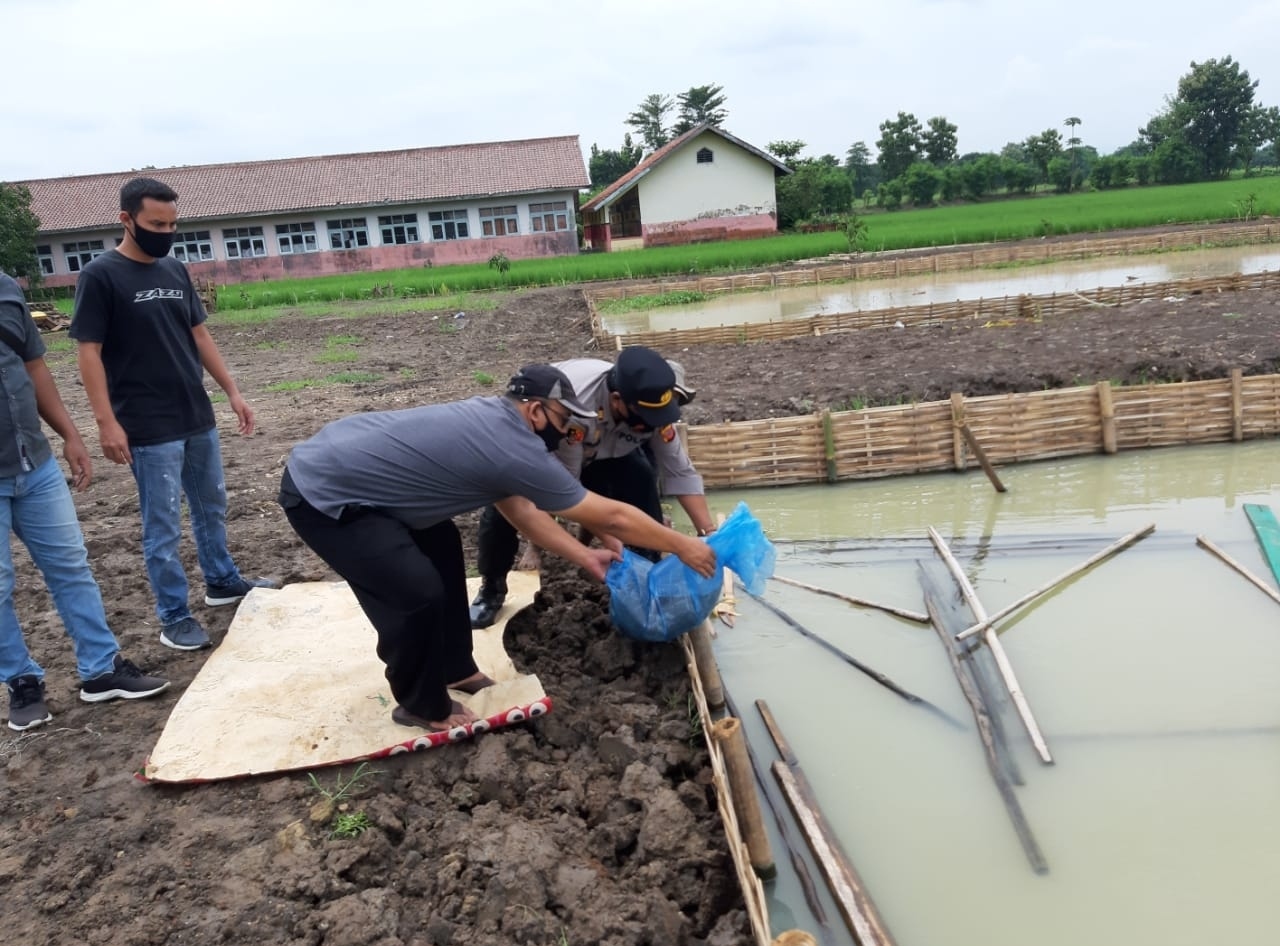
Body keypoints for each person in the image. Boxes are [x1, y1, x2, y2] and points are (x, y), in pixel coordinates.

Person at [278, 364, 716, 733]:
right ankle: (419, 702)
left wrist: (583, 555)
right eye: (564, 421)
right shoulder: (513, 445)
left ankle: (456, 667)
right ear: (534, 409)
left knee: (445, 552)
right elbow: (609, 517)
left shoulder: (498, 425)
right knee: (415, 593)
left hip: (372, 482)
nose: (568, 433)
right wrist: (681, 546)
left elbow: (521, 511)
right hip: (325, 492)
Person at [70, 177, 277, 654]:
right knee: (162, 525)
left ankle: (222, 580)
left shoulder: (174, 270)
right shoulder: (101, 276)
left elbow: (199, 335)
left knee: (211, 506)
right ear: (127, 220)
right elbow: (89, 352)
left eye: (172, 223)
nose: (166, 231)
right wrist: (106, 421)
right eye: (155, 223)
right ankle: (174, 615)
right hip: (145, 423)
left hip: (194, 413)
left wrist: (232, 391)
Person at [0, 273, 169, 731]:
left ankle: (100, 670)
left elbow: (34, 366)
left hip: (34, 464)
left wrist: (69, 435)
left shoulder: (7, 289)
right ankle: (22, 682)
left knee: (71, 566)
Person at [470, 346, 715, 628]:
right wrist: (611, 536)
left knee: (642, 479)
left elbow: (680, 470)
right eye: (645, 422)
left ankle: (645, 581)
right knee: (504, 510)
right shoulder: (576, 406)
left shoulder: (650, 406)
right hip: (551, 448)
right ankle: (491, 591)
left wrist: (708, 534)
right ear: (617, 400)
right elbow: (566, 490)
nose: (651, 427)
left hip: (607, 449)